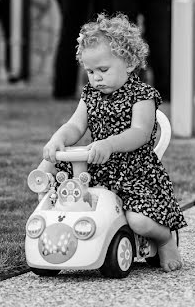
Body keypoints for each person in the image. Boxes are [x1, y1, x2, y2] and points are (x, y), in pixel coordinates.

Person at [39, 14, 185, 271]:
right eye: (90, 71)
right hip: (98, 169)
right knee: (65, 201)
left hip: (134, 173)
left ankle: (164, 239)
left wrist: (109, 144)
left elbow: (140, 132)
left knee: (138, 221)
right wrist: (58, 138)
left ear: (128, 63)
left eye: (103, 70)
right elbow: (75, 125)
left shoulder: (142, 95)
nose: (96, 78)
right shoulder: (90, 95)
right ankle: (68, 243)